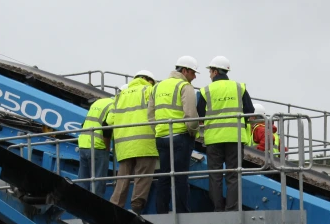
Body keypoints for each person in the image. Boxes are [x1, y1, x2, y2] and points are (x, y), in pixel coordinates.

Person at [197, 56, 254, 212]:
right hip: (235, 138)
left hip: (214, 140)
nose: (209, 75)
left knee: (215, 176)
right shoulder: (239, 88)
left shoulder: (205, 91)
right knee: (233, 175)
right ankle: (232, 209)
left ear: (215, 72)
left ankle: (218, 209)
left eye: (210, 71)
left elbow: (199, 115)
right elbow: (250, 111)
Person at [148, 56, 199, 214]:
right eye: (193, 72)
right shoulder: (185, 86)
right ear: (184, 71)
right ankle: (181, 213)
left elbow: (150, 115)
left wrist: (158, 130)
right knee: (180, 176)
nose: (194, 76)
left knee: (164, 175)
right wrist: (192, 133)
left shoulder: (157, 86)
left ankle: (161, 211)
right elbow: (190, 115)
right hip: (180, 137)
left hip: (161, 138)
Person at [107, 70, 157, 213]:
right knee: (143, 176)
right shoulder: (150, 90)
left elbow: (110, 120)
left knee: (123, 178)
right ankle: (136, 208)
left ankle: (115, 206)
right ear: (150, 80)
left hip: (124, 144)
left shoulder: (121, 95)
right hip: (145, 142)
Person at [77, 96, 114, 196]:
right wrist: (107, 149)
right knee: (98, 181)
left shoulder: (98, 102)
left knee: (83, 181)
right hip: (97, 146)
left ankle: (80, 205)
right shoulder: (114, 106)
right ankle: (95, 206)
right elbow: (107, 127)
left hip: (83, 144)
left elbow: (84, 123)